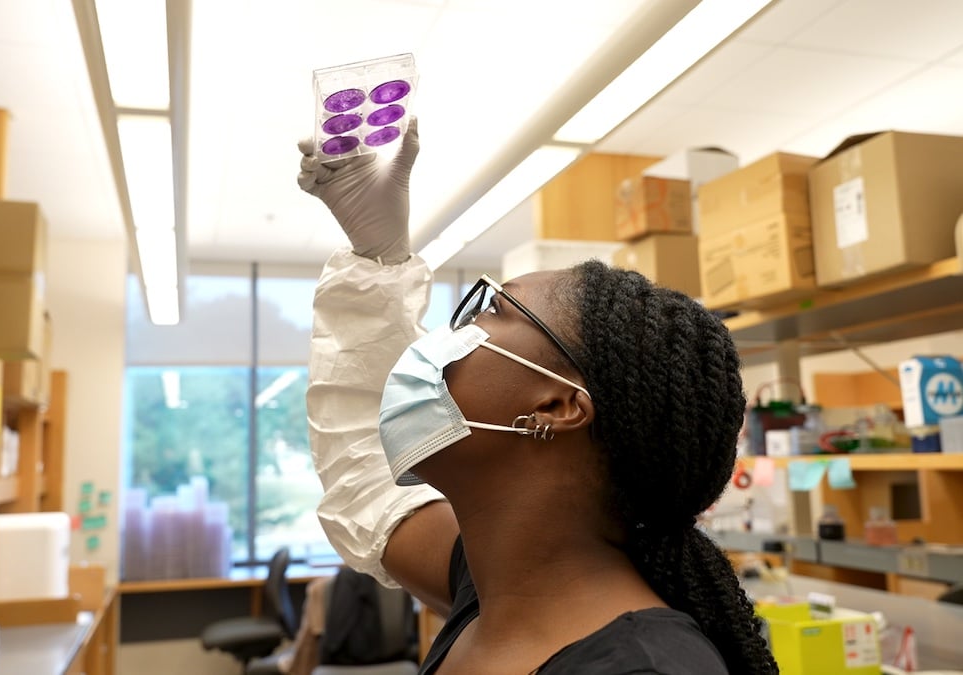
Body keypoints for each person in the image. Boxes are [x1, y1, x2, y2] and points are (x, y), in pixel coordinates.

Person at [298, 119, 778, 674]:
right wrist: (375, 261)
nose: (443, 340)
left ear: (558, 406)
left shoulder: (640, 669)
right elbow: (365, 474)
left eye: (489, 312)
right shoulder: (494, 588)